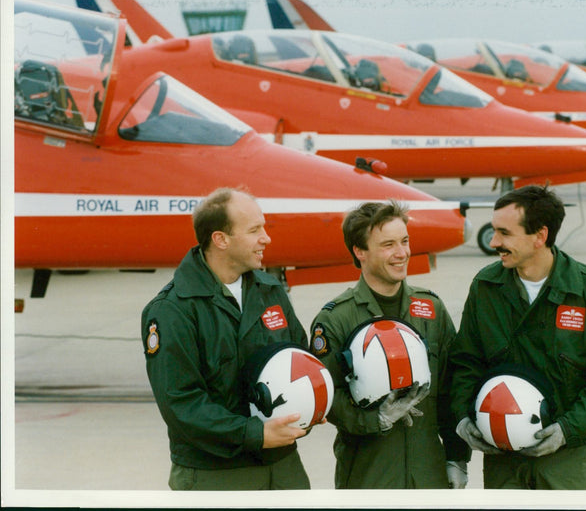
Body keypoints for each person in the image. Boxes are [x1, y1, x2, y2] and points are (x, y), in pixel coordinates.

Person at [449, 185, 586, 490]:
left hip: (568, 460)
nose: (494, 242)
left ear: (540, 236)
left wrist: (567, 429)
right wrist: (462, 417)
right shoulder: (486, 287)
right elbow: (465, 361)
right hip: (503, 461)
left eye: (505, 233)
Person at [141, 187, 312, 490]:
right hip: (215, 475)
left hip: (283, 468)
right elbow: (182, 404)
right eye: (254, 230)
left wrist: (313, 403)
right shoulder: (172, 309)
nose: (266, 238)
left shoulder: (269, 291)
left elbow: (298, 357)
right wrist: (254, 434)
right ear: (220, 239)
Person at [309, 200, 470, 489]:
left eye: (405, 241)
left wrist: (457, 457)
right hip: (367, 477)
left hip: (428, 474)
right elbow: (325, 398)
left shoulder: (431, 309)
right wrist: (375, 420)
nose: (402, 253)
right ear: (360, 252)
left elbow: (452, 389)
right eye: (388, 245)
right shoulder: (336, 319)